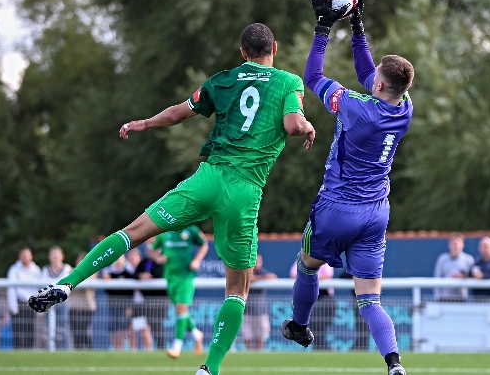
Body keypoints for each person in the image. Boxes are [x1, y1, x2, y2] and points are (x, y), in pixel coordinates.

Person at [28, 23, 315, 375]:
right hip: (243, 190)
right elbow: (290, 124)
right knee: (237, 289)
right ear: (275, 47)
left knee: (135, 231)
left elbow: (179, 112)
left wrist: (145, 123)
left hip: (207, 178)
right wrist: (306, 125)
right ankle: (210, 368)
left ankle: (66, 283)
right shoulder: (288, 82)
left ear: (243, 53)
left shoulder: (222, 80)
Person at [280, 0, 413, 375]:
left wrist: (324, 28)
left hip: (338, 208)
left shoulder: (355, 108)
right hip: (376, 214)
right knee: (370, 300)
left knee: (307, 266)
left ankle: (301, 327)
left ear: (379, 86)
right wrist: (356, 26)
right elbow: (368, 73)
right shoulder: (404, 107)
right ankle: (394, 364)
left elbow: (313, 76)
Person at [148, 225, 209, 358]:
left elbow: (204, 244)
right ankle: (197, 335)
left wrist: (197, 260)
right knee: (181, 311)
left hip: (186, 276)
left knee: (181, 309)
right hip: (170, 277)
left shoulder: (191, 230)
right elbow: (152, 249)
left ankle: (177, 347)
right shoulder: (164, 232)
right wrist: (157, 258)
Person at [289, 257, 335, 350]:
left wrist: (307, 276)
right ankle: (318, 349)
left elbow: (327, 276)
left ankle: (322, 349)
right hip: (306, 300)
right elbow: (293, 274)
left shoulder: (325, 260)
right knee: (309, 327)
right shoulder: (302, 258)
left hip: (323, 300)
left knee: (319, 328)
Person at [132, 237, 168, 351]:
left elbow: (161, 275)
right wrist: (141, 276)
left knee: (157, 325)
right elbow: (135, 274)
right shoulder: (144, 262)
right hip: (145, 300)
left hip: (160, 300)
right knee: (141, 324)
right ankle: (145, 348)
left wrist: (151, 275)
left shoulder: (164, 261)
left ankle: (161, 349)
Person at [7, 247, 42, 349]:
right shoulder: (14, 270)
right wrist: (13, 306)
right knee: (17, 329)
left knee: (30, 329)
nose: (25, 257)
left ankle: (29, 351)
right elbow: (11, 289)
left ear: (31, 256)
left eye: (27, 255)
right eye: (23, 255)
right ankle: (17, 350)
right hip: (18, 302)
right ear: (19, 257)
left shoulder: (36, 270)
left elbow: (39, 289)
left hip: (31, 303)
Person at [241, 253, 276, 350]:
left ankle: (259, 353)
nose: (257, 264)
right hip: (246, 311)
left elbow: (273, 276)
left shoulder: (262, 272)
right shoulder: (244, 271)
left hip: (260, 312)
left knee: (261, 336)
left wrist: (256, 279)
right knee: (247, 336)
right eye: (255, 261)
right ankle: (249, 355)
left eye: (259, 262)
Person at [41, 246, 73, 349]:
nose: (55, 256)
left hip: (63, 302)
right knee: (50, 328)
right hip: (49, 302)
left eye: (57, 254)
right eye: (53, 254)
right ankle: (51, 348)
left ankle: (64, 349)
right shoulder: (45, 270)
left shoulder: (67, 269)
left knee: (63, 327)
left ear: (62, 256)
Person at [103, 254, 135, 350]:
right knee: (113, 328)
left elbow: (132, 291)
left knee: (124, 328)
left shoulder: (129, 271)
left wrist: (130, 306)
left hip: (126, 305)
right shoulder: (108, 272)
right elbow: (107, 288)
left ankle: (123, 348)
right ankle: (116, 348)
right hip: (113, 305)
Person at [68, 251, 97, 349]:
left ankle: (89, 350)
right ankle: (77, 352)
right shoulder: (70, 271)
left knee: (83, 331)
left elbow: (86, 284)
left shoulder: (92, 271)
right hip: (74, 307)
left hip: (87, 307)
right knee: (75, 332)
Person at [433, 234, 475, 302]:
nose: (455, 245)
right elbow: (437, 277)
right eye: (453, 243)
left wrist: (462, 277)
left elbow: (473, 276)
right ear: (449, 245)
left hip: (462, 298)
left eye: (458, 243)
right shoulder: (442, 259)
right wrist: (437, 297)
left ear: (463, 245)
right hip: (444, 298)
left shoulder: (469, 259)